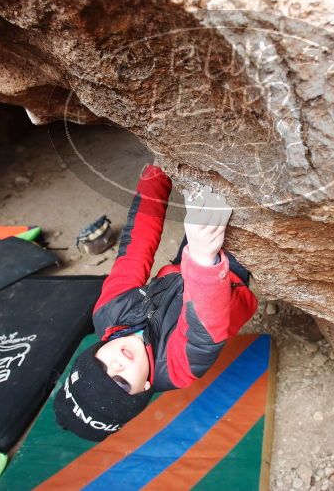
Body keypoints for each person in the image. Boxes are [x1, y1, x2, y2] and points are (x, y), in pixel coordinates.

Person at [54, 165, 258, 441]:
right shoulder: (179, 370)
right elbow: (205, 326)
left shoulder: (107, 312)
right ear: (145, 388)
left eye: (101, 367)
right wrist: (201, 257)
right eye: (122, 382)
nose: (118, 365)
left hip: (189, 261)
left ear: (94, 352)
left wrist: (157, 173)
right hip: (230, 277)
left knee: (216, 178)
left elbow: (135, 246)